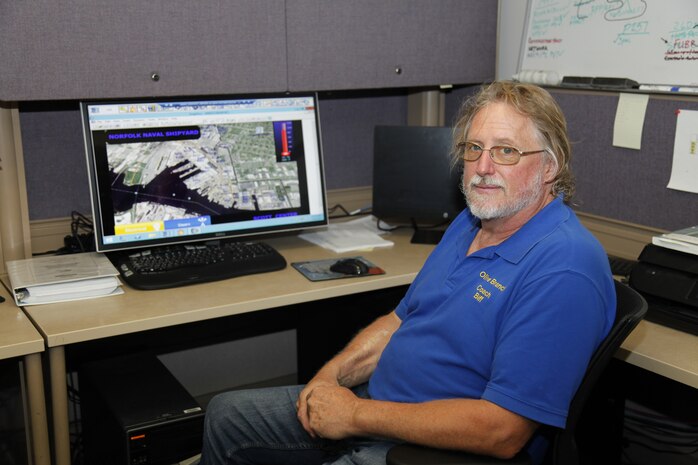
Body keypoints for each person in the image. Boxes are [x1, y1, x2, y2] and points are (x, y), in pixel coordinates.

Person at [199, 81, 616, 465]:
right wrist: (331, 378)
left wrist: (356, 415)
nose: (483, 167)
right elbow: (401, 320)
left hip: (423, 448)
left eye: (506, 151)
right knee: (225, 415)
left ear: (549, 168)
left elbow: (502, 430)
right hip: (377, 404)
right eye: (474, 148)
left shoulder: (564, 269)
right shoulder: (473, 222)